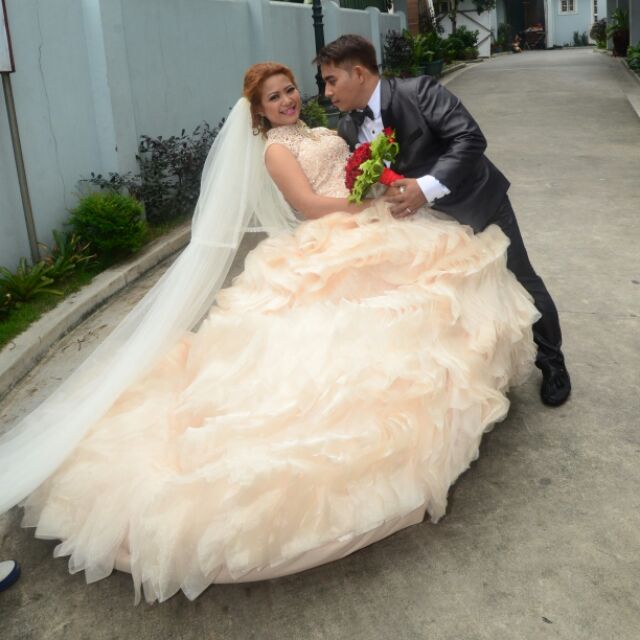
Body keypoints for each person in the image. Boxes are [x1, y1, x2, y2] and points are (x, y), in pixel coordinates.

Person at [0, 62, 538, 604]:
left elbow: (354, 164)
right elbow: (308, 205)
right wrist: (367, 201)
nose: (287, 101)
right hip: (333, 236)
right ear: (258, 111)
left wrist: (376, 178)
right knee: (335, 341)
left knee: (430, 302)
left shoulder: (325, 129)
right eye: (274, 98)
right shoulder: (276, 149)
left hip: (371, 225)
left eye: (290, 91)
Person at [316, 34, 570, 407]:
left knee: (520, 277)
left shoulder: (419, 91)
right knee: (457, 300)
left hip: (476, 202)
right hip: (426, 227)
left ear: (358, 73)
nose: (326, 92)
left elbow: (470, 139)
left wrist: (425, 187)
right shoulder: (348, 127)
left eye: (331, 81)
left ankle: (553, 362)